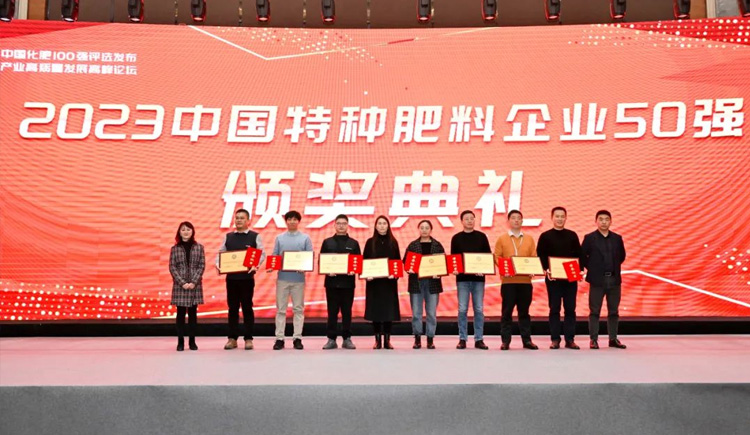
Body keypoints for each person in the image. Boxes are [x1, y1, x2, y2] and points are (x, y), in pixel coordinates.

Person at [217, 209, 265, 350]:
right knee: (232, 308)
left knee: (247, 308)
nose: (239, 220)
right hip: (232, 279)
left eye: (242, 218)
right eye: (237, 218)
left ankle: (248, 338)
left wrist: (256, 265)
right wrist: (219, 265)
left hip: (247, 278)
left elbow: (261, 254)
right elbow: (221, 253)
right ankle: (232, 339)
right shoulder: (228, 237)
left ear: (248, 220)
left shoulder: (254, 236)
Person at [536, 207, 582, 350]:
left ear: (566, 218)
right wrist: (546, 269)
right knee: (554, 309)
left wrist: (579, 270)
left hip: (570, 279)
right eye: (557, 216)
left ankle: (570, 339)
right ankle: (555, 339)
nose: (560, 219)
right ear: (552, 218)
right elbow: (540, 255)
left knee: (570, 309)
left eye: (562, 216)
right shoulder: (545, 236)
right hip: (553, 279)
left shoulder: (572, 235)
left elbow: (579, 255)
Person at [580, 210, 627, 349]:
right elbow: (582, 257)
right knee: (595, 311)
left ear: (611, 221)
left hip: (614, 279)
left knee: (614, 311)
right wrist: (592, 268)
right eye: (601, 219)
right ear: (596, 221)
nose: (604, 222)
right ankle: (593, 339)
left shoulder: (617, 238)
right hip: (597, 281)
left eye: (606, 219)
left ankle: (613, 338)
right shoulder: (589, 238)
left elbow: (622, 256)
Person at [494, 210, 538, 350]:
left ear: (522, 221)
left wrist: (532, 269)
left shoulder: (529, 239)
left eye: (519, 218)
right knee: (506, 312)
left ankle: (527, 340)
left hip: (525, 282)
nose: (516, 220)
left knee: (524, 312)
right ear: (508, 221)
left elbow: (533, 257)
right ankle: (505, 341)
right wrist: (504, 269)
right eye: (513, 218)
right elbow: (497, 257)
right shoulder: (502, 239)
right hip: (508, 282)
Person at [269, 210, 313, 350]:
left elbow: (310, 257)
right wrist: (271, 266)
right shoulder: (279, 238)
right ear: (286, 221)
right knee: (281, 310)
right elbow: (275, 255)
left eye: (295, 219)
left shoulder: (305, 238)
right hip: (282, 279)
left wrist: (305, 267)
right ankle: (279, 338)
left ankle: (297, 338)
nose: (292, 222)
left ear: (298, 222)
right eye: (289, 219)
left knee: (298, 309)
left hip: (298, 280)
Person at [450, 210, 492, 350]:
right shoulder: (456, 238)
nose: (469, 221)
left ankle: (479, 339)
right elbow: (454, 258)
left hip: (478, 279)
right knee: (462, 309)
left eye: (471, 218)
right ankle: (462, 339)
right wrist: (454, 269)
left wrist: (484, 269)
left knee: (478, 309)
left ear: (475, 220)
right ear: (462, 221)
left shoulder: (482, 237)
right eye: (466, 219)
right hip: (462, 279)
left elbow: (487, 257)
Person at [320, 214, 361, 350]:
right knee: (332, 312)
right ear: (334, 225)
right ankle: (331, 339)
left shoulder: (353, 243)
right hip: (331, 283)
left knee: (347, 312)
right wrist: (327, 271)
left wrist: (354, 270)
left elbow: (358, 263)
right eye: (339, 223)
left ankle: (347, 338)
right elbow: (322, 261)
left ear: (347, 225)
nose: (341, 226)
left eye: (344, 223)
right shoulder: (327, 242)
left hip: (348, 284)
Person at [404, 220, 444, 349]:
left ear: (431, 230)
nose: (424, 230)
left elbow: (443, 263)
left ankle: (430, 339)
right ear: (418, 229)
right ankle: (417, 338)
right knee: (416, 313)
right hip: (416, 282)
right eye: (422, 227)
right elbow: (405, 262)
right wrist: (408, 268)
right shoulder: (412, 245)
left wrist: (440, 273)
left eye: (427, 228)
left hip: (433, 283)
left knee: (431, 313)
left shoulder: (437, 245)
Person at [363, 215, 401, 350]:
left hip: (389, 283)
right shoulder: (370, 242)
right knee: (376, 311)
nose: (382, 226)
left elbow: (397, 262)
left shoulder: (393, 242)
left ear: (388, 226)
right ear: (375, 226)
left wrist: (395, 275)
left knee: (388, 311)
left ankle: (387, 340)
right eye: (379, 223)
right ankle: (377, 340)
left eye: (384, 223)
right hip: (374, 283)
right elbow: (364, 261)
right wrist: (366, 275)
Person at [169, 221, 205, 351]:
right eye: (183, 229)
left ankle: (192, 341)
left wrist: (194, 282)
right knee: (180, 315)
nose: (186, 232)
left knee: (193, 315)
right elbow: (172, 267)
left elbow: (201, 266)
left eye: (188, 229)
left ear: (192, 232)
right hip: (180, 286)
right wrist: (182, 282)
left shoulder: (199, 247)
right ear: (179, 232)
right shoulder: (175, 249)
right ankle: (180, 342)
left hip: (195, 285)